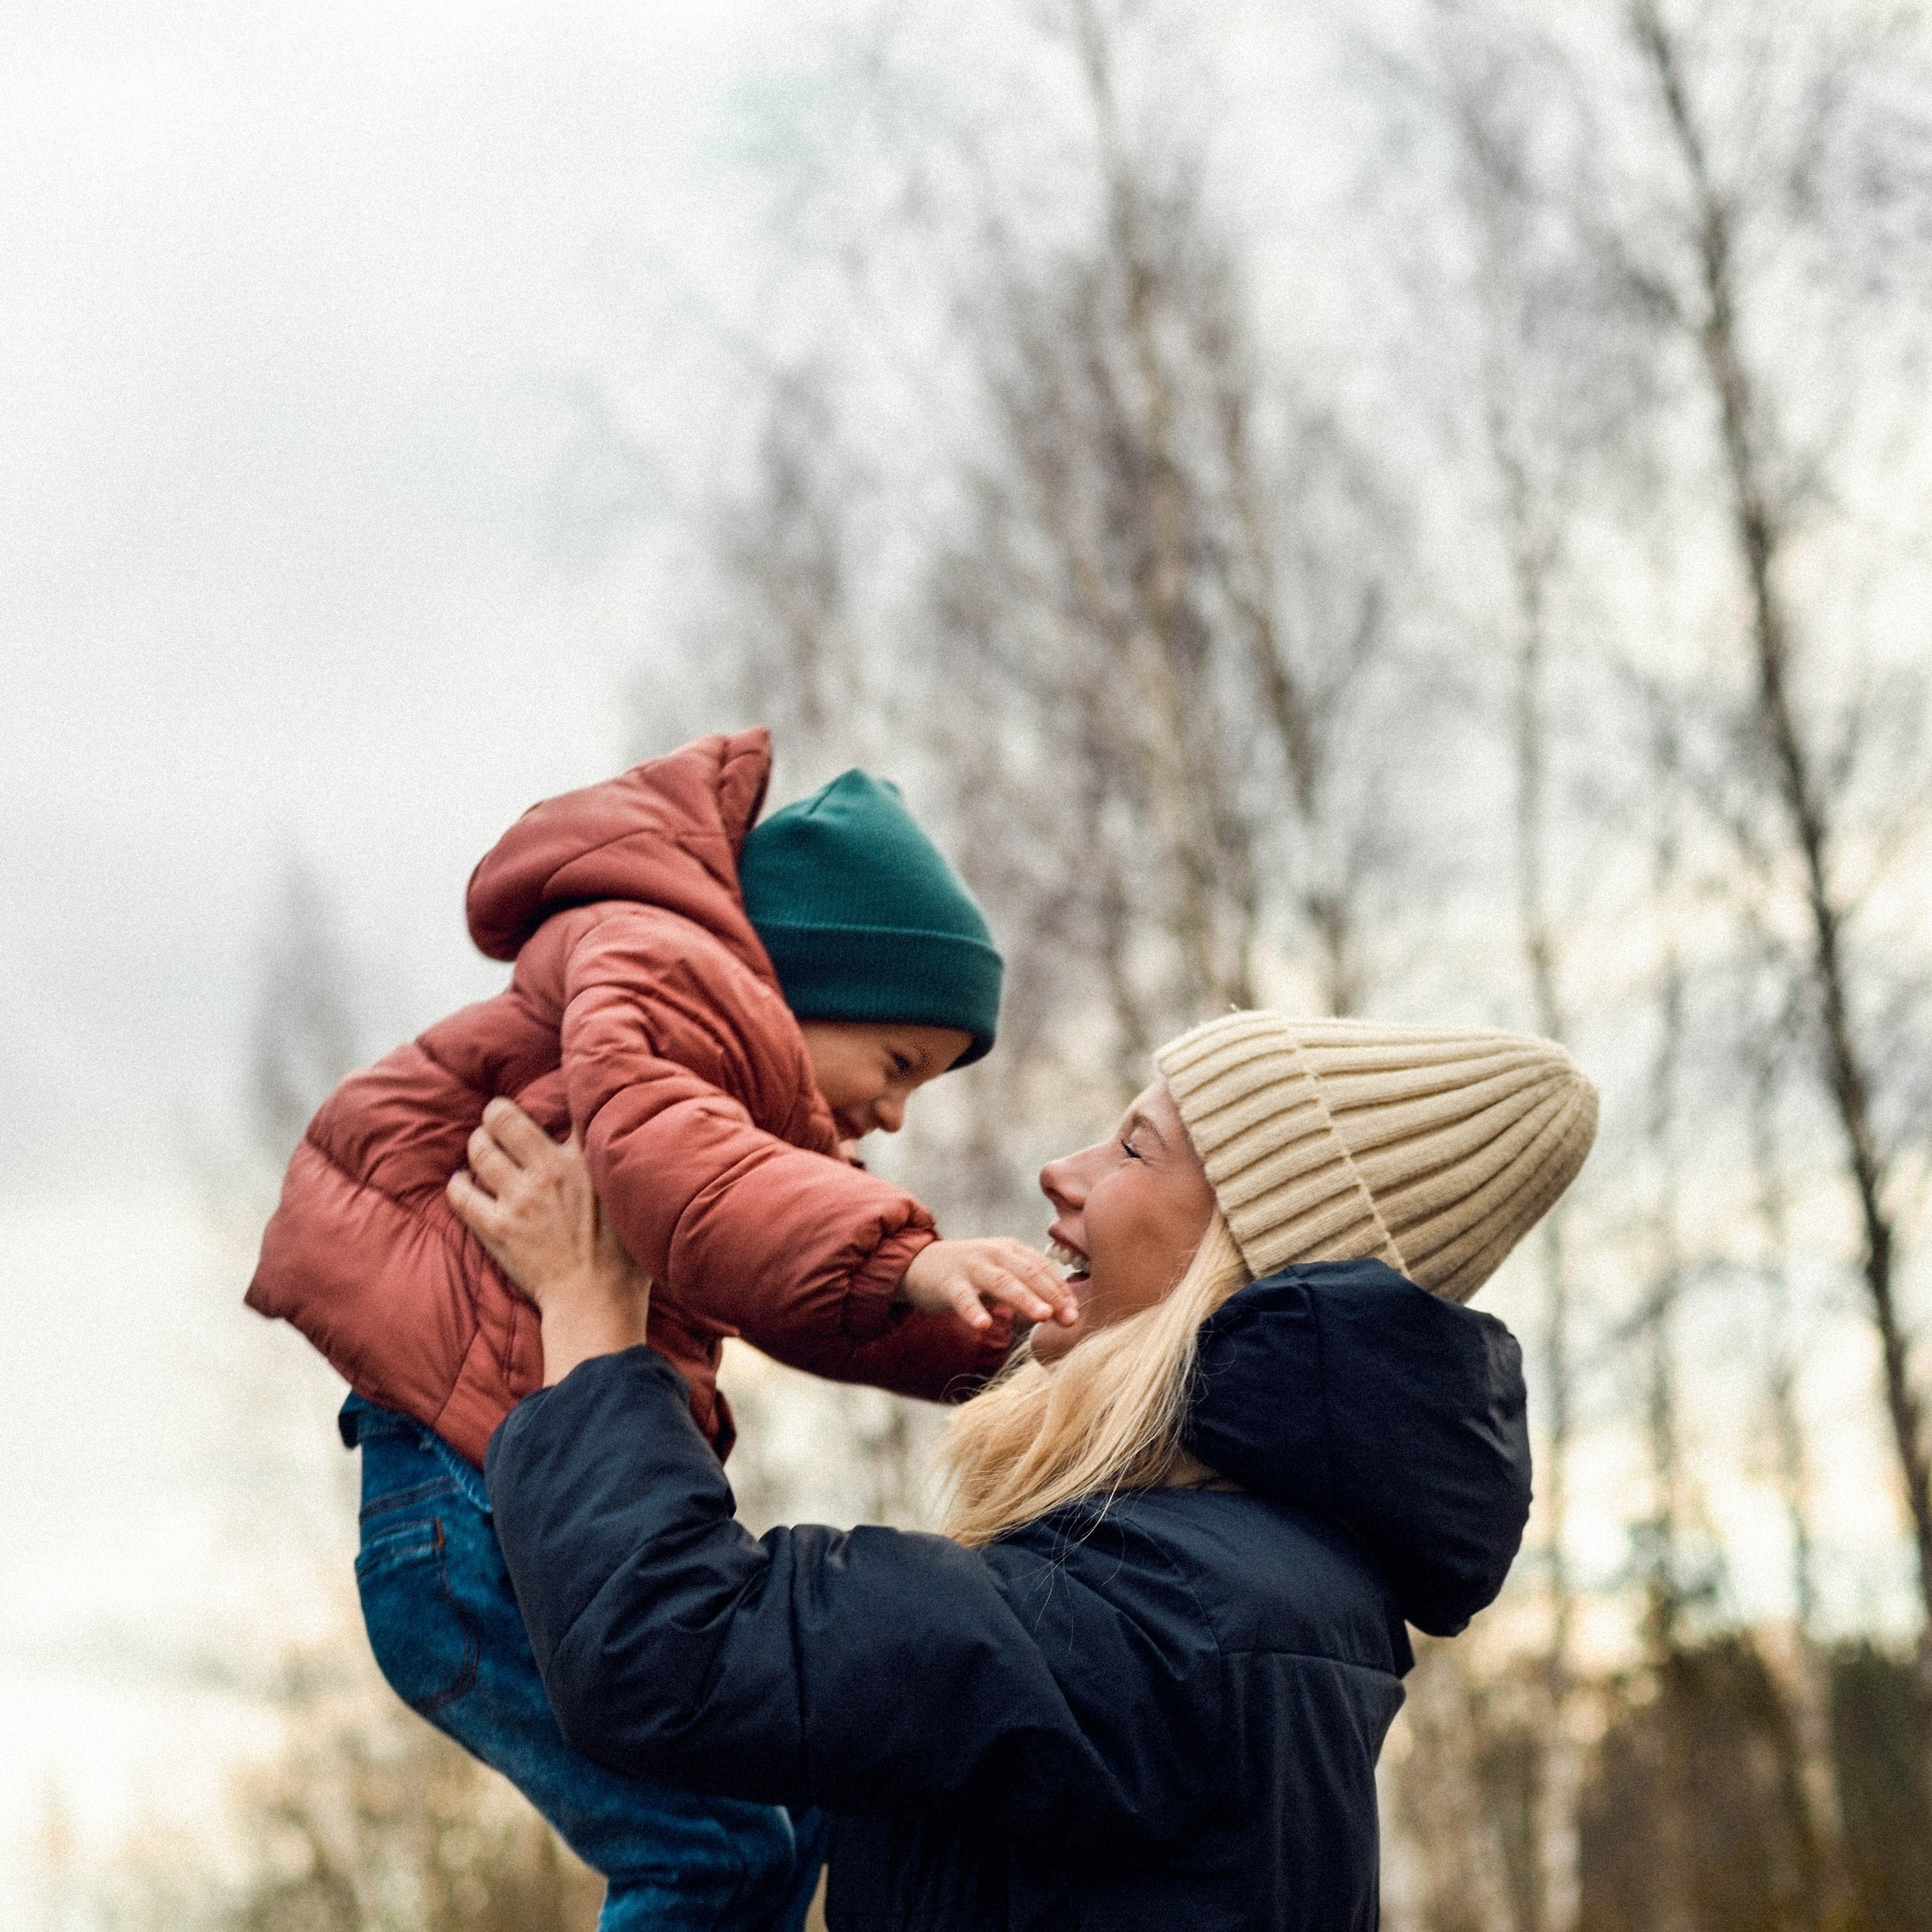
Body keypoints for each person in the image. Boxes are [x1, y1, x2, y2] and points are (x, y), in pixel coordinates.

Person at [466, 1010, 1599, 1931]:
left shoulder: (1176, 1623)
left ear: (1247, 1256)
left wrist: (593, 1316)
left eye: (1136, 1148)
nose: (1063, 1171)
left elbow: (671, 1647)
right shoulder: (1261, 1595)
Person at [245, 727, 1077, 1930]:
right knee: (714, 1857)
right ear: (808, 979)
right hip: (476, 1519)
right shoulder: (662, 972)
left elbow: (811, 1295)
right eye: (899, 1062)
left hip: (496, 1516)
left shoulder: (739, 1111)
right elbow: (665, 1160)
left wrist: (1009, 1345)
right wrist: (912, 1254)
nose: (893, 1115)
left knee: (787, 1826)